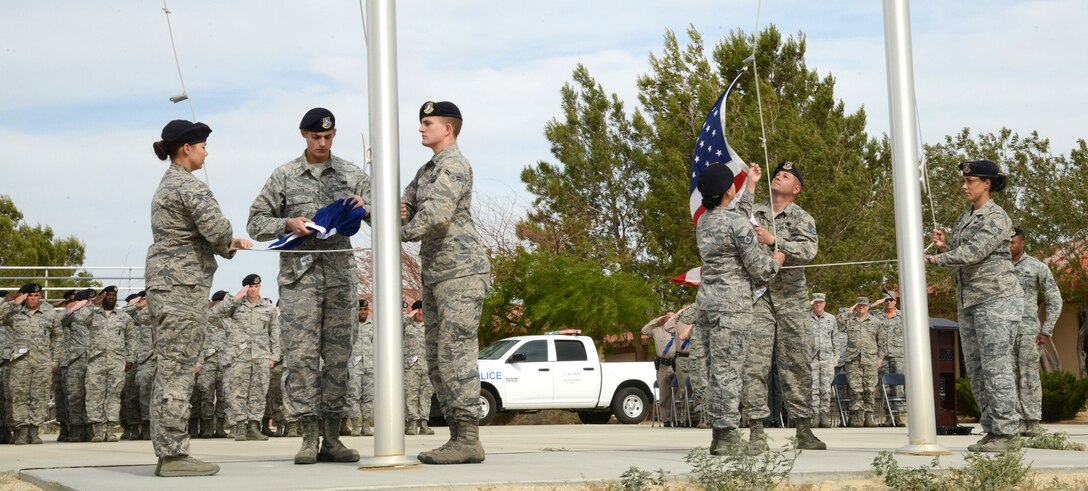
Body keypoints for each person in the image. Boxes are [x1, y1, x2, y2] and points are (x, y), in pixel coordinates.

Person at [248, 108, 369, 465]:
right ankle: (307, 436)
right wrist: (288, 222)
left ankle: (332, 438)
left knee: (338, 358)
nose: (322, 142)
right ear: (303, 134)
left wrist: (366, 206)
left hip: (340, 280)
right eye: (316, 137)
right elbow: (256, 221)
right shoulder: (284, 176)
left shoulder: (350, 173)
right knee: (300, 358)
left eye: (328, 137)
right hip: (300, 282)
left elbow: (379, 209)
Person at [146, 119, 251, 476]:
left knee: (169, 370)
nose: (207, 151)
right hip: (182, 289)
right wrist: (228, 240)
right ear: (186, 148)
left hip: (170, 287)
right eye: (202, 145)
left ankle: (169, 449)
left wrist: (225, 244)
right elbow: (216, 229)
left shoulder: (167, 184)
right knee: (178, 371)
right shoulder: (188, 186)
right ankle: (174, 454)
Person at [400, 101, 491, 465]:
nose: (421, 129)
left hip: (462, 275)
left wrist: (400, 232)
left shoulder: (453, 165)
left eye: (427, 123)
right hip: (437, 275)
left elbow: (435, 217)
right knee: (438, 360)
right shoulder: (427, 171)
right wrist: (367, 208)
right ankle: (457, 437)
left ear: (447, 129)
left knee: (456, 354)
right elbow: (402, 204)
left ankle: (469, 439)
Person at [926, 159, 1022, 452]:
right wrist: (944, 247)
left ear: (986, 184)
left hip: (995, 301)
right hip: (970, 302)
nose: (964, 186)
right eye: (964, 181)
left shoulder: (996, 217)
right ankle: (992, 430)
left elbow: (975, 252)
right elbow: (960, 251)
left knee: (997, 368)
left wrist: (936, 259)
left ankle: (1007, 433)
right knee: (978, 370)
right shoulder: (966, 217)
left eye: (970, 181)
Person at [693, 163, 784, 455]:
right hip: (732, 308)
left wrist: (752, 186)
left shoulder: (704, 222)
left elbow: (736, 219)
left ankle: (719, 436)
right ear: (728, 190)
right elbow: (762, 270)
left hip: (707, 304)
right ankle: (730, 438)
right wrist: (777, 259)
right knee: (729, 372)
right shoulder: (736, 224)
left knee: (715, 371)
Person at [736, 161, 825, 452]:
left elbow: (809, 251)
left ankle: (803, 429)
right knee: (754, 365)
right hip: (759, 298)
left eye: (786, 176)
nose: (779, 176)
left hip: (792, 301)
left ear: (796, 189)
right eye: (777, 174)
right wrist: (750, 182)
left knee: (796, 363)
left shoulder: (802, 217)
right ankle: (757, 432)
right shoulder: (754, 213)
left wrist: (776, 240)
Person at [212, 274, 280, 442]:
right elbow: (213, 315)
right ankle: (240, 426)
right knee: (238, 392)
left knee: (259, 392)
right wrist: (235, 298)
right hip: (238, 357)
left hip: (261, 356)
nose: (253, 289)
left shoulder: (268, 308)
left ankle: (253, 427)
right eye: (250, 286)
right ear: (245, 288)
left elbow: (275, 333)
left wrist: (275, 356)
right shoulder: (234, 306)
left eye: (256, 286)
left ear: (260, 287)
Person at [1010, 227, 1063, 437]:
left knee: (1028, 375)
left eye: (1012, 242)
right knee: (1007, 377)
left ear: (1022, 242)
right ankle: (1014, 421)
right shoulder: (997, 267)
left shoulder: (1037, 267)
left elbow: (1055, 299)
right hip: (1001, 331)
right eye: (1006, 242)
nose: (1009, 246)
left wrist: (1047, 330)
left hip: (1028, 331)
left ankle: (1031, 422)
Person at [0, 283, 63, 444]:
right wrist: (14, 302)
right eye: (30, 296)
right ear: (24, 296)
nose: (33, 299)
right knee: (19, 396)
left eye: (36, 296)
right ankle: (21, 430)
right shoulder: (14, 312)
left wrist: (55, 359)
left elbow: (57, 337)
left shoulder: (49, 313)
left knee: (39, 396)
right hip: (20, 363)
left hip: (42, 362)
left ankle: (34, 430)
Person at [76, 285, 135, 442]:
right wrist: (93, 304)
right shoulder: (93, 315)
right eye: (108, 294)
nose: (111, 297)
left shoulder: (124, 317)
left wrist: (130, 358)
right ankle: (97, 431)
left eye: (113, 295)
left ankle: (110, 430)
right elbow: (79, 319)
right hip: (96, 361)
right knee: (95, 395)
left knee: (114, 395)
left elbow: (131, 339)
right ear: (103, 297)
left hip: (117, 361)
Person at [838, 296, 886, 427]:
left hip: (870, 359)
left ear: (868, 307)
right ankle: (857, 416)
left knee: (870, 388)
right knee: (855, 388)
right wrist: (850, 310)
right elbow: (839, 324)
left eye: (864, 305)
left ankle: (869, 415)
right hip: (853, 359)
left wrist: (880, 358)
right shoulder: (850, 320)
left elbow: (882, 343)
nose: (861, 307)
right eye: (859, 305)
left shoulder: (876, 322)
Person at [61, 288, 99, 442]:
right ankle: (76, 429)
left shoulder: (99, 315)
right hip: (76, 360)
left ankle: (90, 429)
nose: (91, 304)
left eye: (92, 301)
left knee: (92, 396)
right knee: (75, 396)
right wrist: (73, 309)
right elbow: (60, 321)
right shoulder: (73, 315)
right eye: (87, 301)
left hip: (95, 359)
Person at [123, 291, 155, 440]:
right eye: (141, 299)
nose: (143, 301)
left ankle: (147, 426)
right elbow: (122, 314)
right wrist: (134, 304)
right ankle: (132, 427)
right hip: (132, 360)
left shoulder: (151, 314)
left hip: (149, 359)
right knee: (130, 396)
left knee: (146, 394)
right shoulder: (131, 314)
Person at [641, 311, 678, 426]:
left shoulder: (678, 329)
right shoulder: (657, 330)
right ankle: (666, 420)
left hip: (676, 364)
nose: (670, 319)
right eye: (668, 317)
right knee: (664, 395)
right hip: (663, 366)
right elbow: (645, 330)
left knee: (679, 394)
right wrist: (658, 319)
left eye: (672, 317)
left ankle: (680, 419)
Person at [404, 300, 435, 435]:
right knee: (411, 395)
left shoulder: (430, 327)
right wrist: (408, 316)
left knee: (426, 396)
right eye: (418, 310)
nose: (421, 313)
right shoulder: (406, 327)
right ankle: (412, 424)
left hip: (427, 367)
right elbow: (393, 326)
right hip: (411, 368)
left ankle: (424, 424)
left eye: (423, 310)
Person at [875, 291, 905, 425]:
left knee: (897, 386)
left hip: (898, 355)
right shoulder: (878, 315)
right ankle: (888, 417)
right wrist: (876, 303)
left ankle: (898, 417)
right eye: (886, 300)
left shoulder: (903, 316)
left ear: (895, 301)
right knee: (884, 387)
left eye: (891, 300)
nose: (888, 302)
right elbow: (861, 311)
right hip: (882, 356)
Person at [808, 293, 838, 428]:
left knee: (825, 388)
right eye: (815, 302)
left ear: (824, 303)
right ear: (812, 303)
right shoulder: (806, 318)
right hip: (811, 358)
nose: (818, 304)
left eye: (820, 302)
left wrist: (836, 357)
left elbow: (835, 339)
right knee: (813, 388)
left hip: (827, 358)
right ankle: (815, 415)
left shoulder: (831, 319)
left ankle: (824, 415)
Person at [348, 299, 374, 436]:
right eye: (360, 310)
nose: (363, 312)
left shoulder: (373, 326)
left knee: (368, 397)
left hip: (370, 366)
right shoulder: (351, 327)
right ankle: (356, 426)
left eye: (365, 310)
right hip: (354, 366)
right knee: (354, 396)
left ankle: (366, 425)